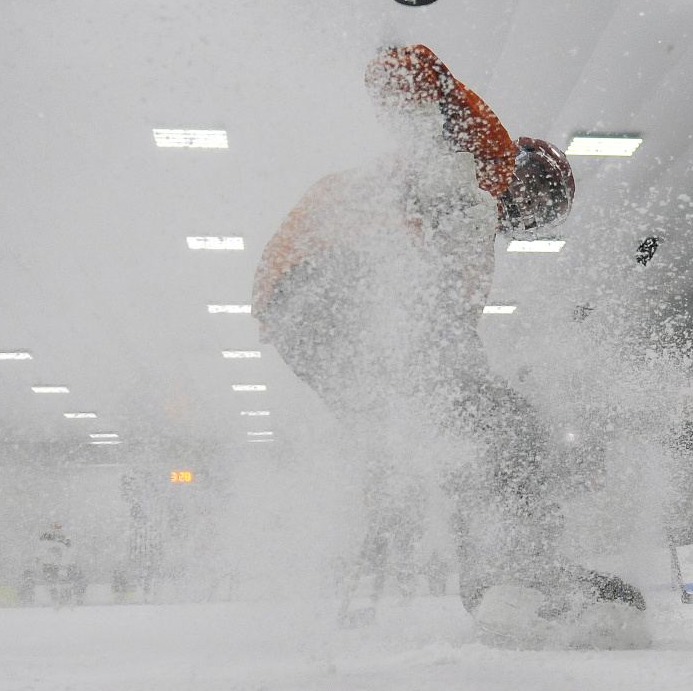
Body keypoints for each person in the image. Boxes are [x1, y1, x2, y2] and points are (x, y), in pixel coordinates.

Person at [252, 45, 646, 642]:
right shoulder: (483, 155)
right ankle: (516, 573)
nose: (526, 214)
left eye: (540, 218)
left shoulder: (466, 240)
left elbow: (445, 343)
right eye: (536, 196)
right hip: (340, 270)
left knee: (447, 431)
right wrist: (416, 85)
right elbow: (400, 65)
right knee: (505, 424)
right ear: (523, 166)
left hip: (290, 311)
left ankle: (496, 584)